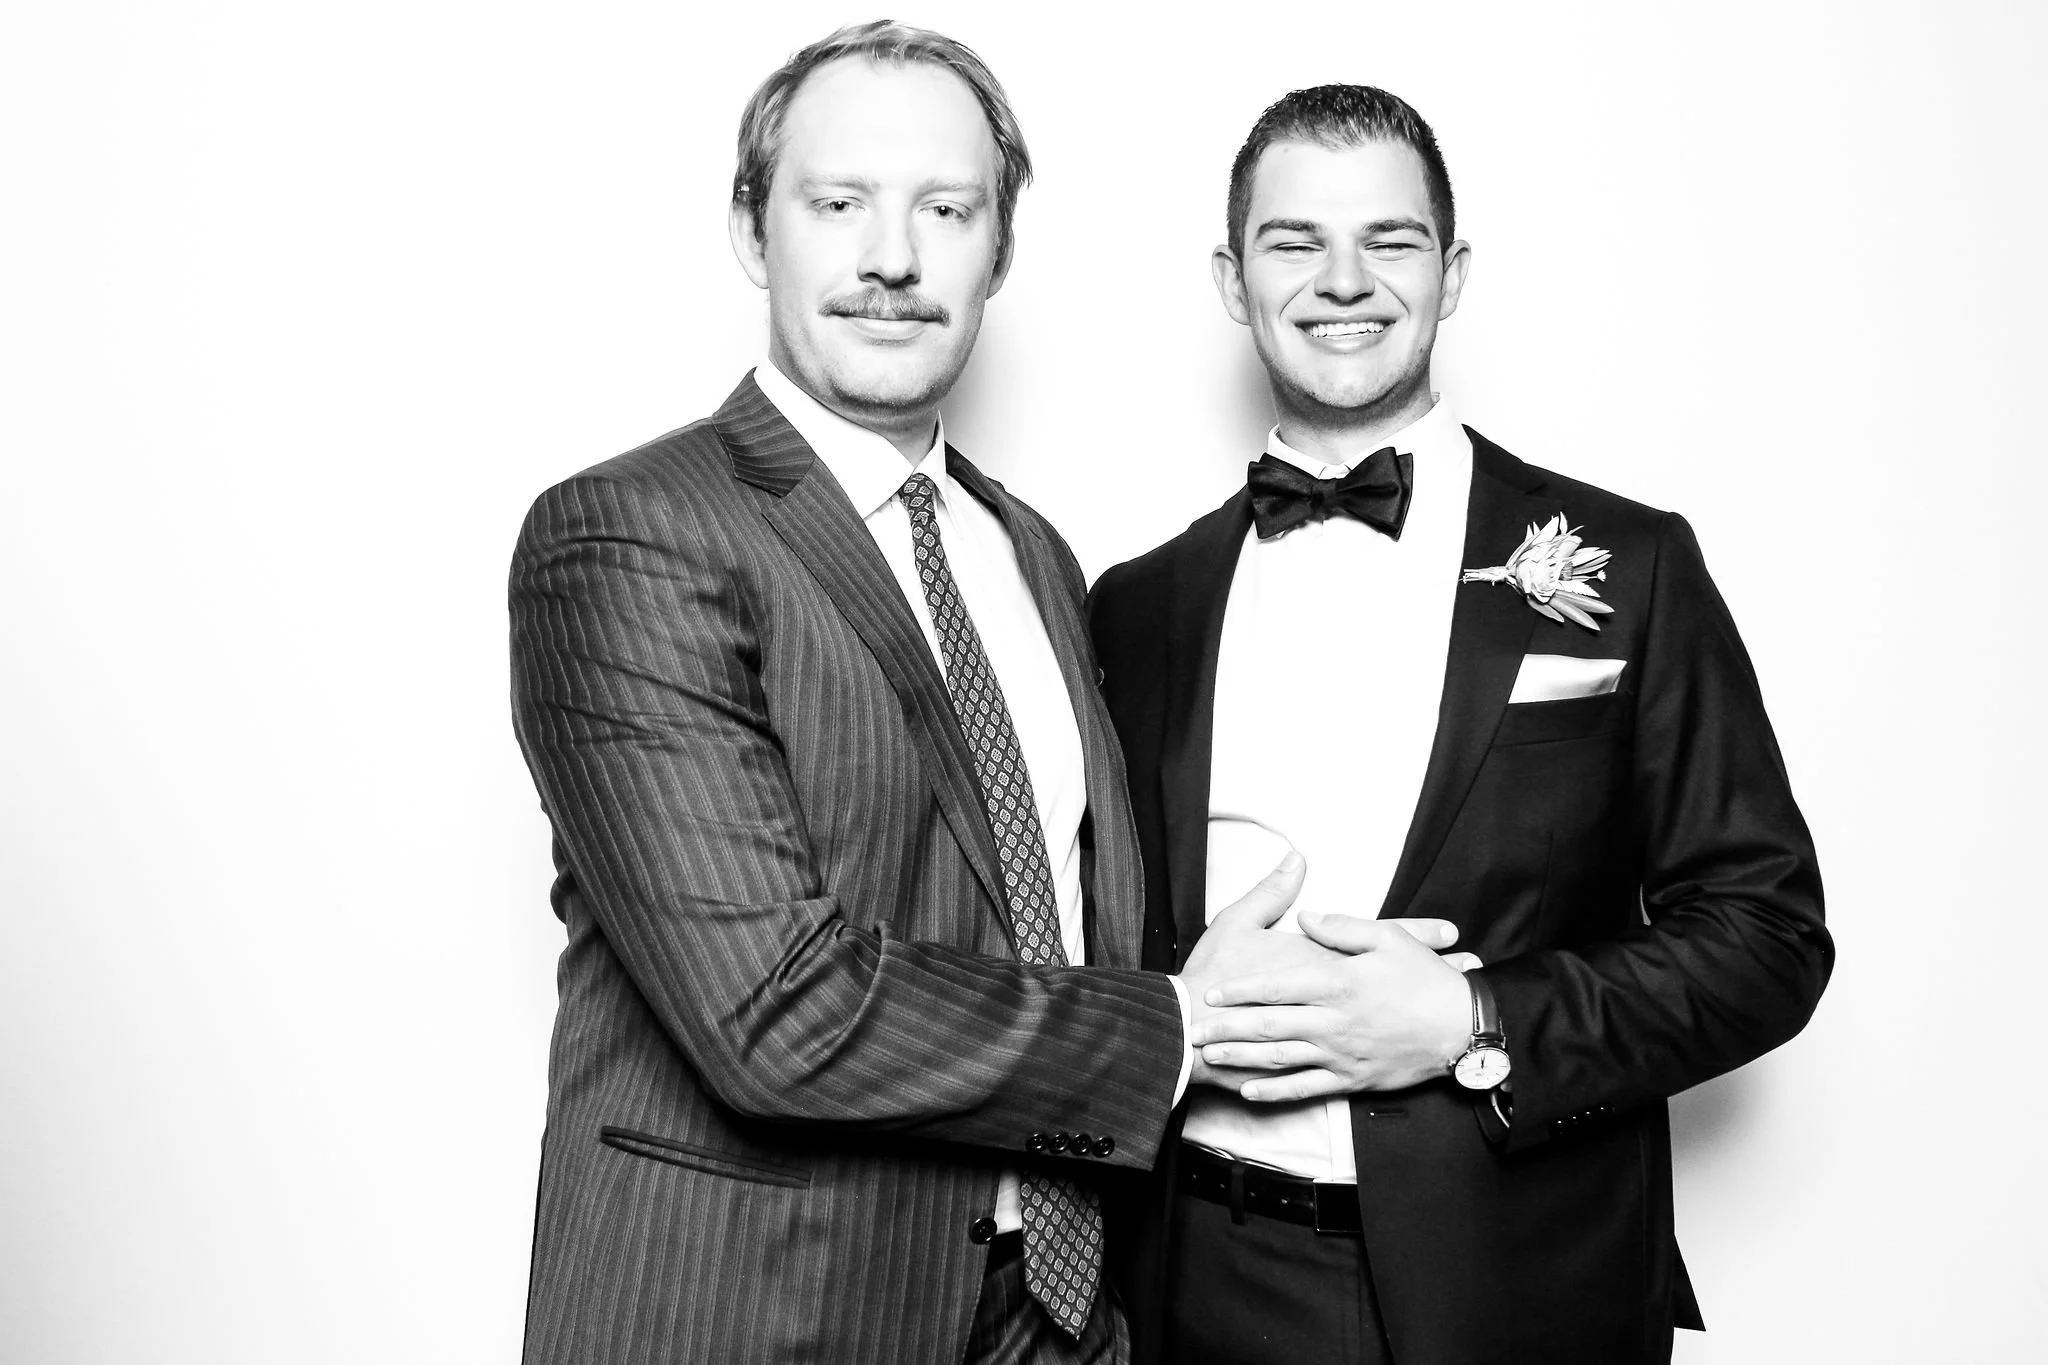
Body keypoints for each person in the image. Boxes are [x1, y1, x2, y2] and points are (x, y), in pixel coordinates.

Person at [506, 25, 1441, 1365]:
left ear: (1000, 249)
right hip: (759, 1317)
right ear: (752, 229)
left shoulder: (1034, 557)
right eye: (839, 203)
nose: (894, 255)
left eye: (947, 210)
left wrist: (1362, 996)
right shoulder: (631, 533)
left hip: (1052, 1317)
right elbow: (775, 1011)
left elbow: (1046, 922)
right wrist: (1185, 1023)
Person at [1088, 85, 1834, 1365]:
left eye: (1389, 240)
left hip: (1518, 1286)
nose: (1343, 282)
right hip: (1191, 1280)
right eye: (1292, 242)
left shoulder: (1631, 564)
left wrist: (1474, 1023)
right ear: (1230, 278)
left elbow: (1766, 940)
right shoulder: (1133, 604)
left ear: (1453, 270)